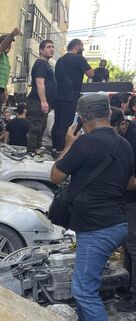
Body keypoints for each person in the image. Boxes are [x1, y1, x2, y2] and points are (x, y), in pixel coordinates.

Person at [50, 93, 134, 321]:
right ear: (108, 113)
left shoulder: (85, 142)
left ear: (82, 117)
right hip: (117, 223)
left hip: (96, 227)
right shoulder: (123, 144)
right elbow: (128, 181)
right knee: (89, 284)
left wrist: (69, 144)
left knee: (83, 291)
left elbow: (55, 175)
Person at [110, 108, 136, 312]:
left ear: (123, 125)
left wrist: (110, 182)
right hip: (124, 200)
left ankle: (133, 297)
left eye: (111, 130)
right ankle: (125, 288)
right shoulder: (120, 138)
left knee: (133, 247)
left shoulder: (133, 140)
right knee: (127, 247)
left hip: (132, 201)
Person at [52, 39, 94, 152]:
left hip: (58, 96)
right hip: (70, 97)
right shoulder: (79, 59)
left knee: (57, 122)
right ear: (76, 47)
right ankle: (61, 149)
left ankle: (54, 147)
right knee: (65, 124)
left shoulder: (60, 60)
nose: (83, 49)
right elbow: (91, 73)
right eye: (82, 47)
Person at [27, 40, 57, 153]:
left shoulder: (46, 64)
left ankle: (37, 148)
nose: (52, 49)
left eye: (53, 47)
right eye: (49, 47)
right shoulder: (40, 63)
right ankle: (31, 150)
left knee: (41, 126)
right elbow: (40, 83)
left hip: (43, 101)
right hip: (37, 101)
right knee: (36, 126)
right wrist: (43, 101)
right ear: (41, 50)